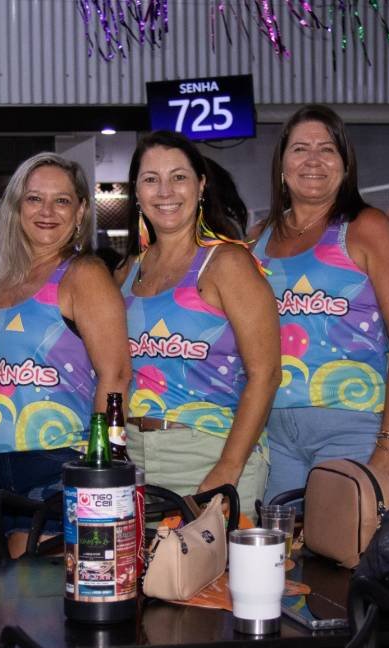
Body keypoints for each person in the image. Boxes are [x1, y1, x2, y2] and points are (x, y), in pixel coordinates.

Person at [252, 105, 389, 502]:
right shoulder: (257, 239)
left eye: (327, 149)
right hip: (273, 435)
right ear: (282, 165)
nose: (313, 160)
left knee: (347, 542)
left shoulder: (367, 228)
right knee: (280, 544)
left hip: (354, 429)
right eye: (300, 149)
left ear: (345, 166)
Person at [0, 152, 130, 558]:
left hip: (60, 461)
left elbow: (115, 376)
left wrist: (98, 468)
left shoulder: (84, 275)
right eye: (34, 199)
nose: (47, 211)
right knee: (9, 590)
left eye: (61, 201)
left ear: (80, 212)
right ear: (16, 208)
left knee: (41, 588)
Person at [121, 131, 280, 512]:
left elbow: (266, 374)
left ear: (201, 185)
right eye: (151, 179)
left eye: (179, 177)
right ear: (137, 192)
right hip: (135, 461)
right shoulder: (127, 272)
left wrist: (228, 468)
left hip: (210, 454)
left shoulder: (227, 263)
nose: (165, 191)